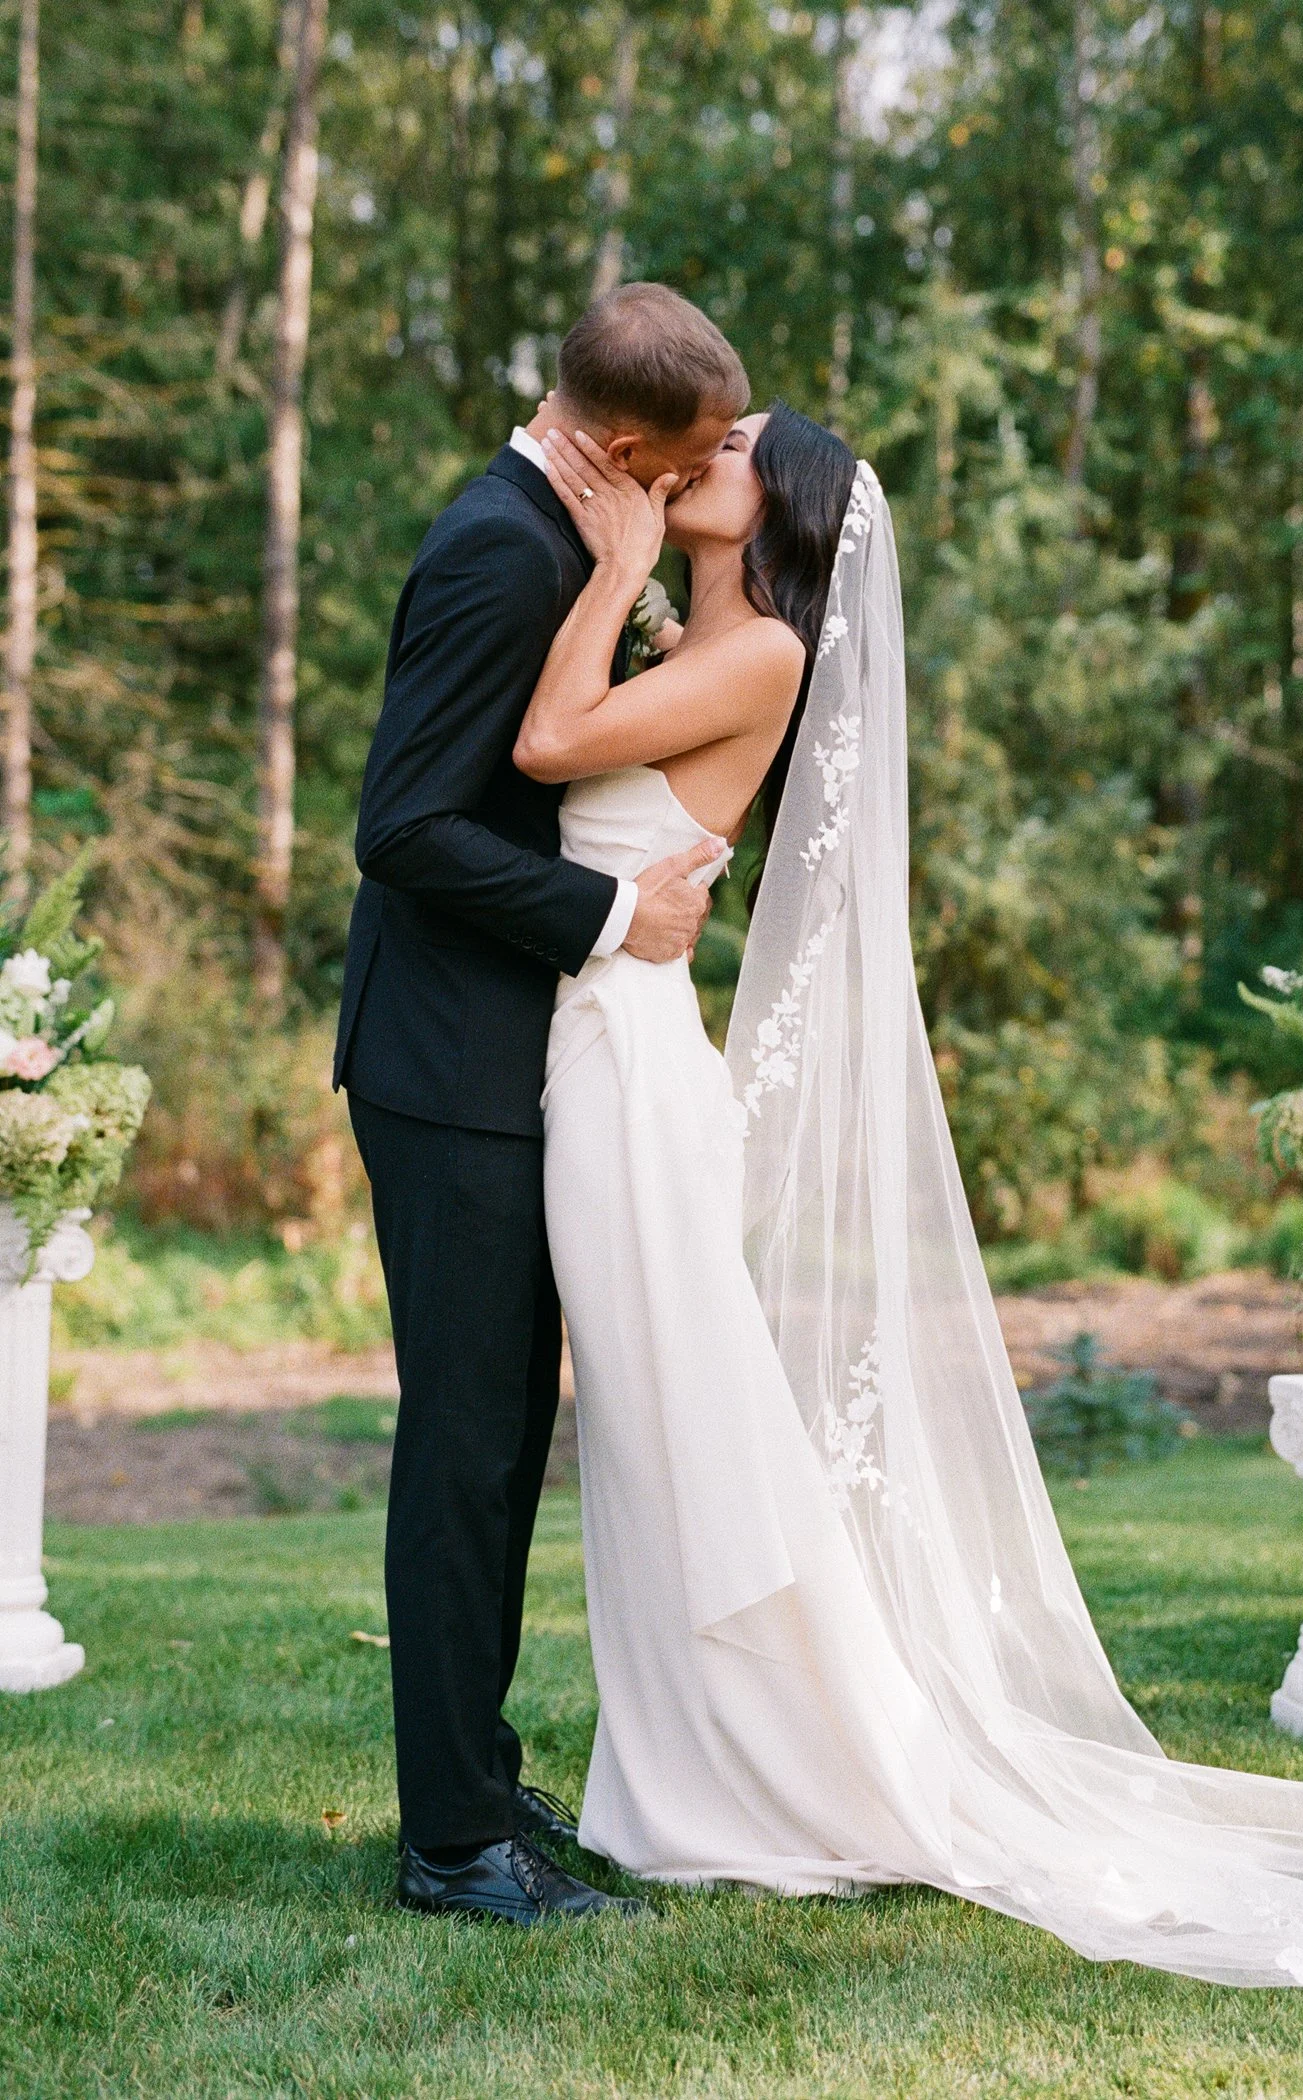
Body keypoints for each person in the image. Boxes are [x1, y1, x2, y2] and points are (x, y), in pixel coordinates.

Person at [513, 400, 1303, 1985]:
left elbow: (550, 746)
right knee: (664, 1417)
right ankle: (696, 1762)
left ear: (780, 509)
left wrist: (611, 570)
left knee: (682, 1417)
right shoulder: (709, 643)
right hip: (609, 1052)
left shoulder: (760, 655)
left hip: (628, 1077)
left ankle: (763, 1769)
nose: (697, 454)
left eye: (731, 449)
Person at [334, 283, 748, 1923]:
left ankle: (479, 1784)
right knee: (464, 1450)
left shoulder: (561, 538)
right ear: (630, 451)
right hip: (448, 1069)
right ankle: (451, 1846)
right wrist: (610, 915)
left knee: (504, 1443)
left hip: (512, 1063)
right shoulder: (502, 550)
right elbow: (403, 825)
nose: (711, 475)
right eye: (698, 455)